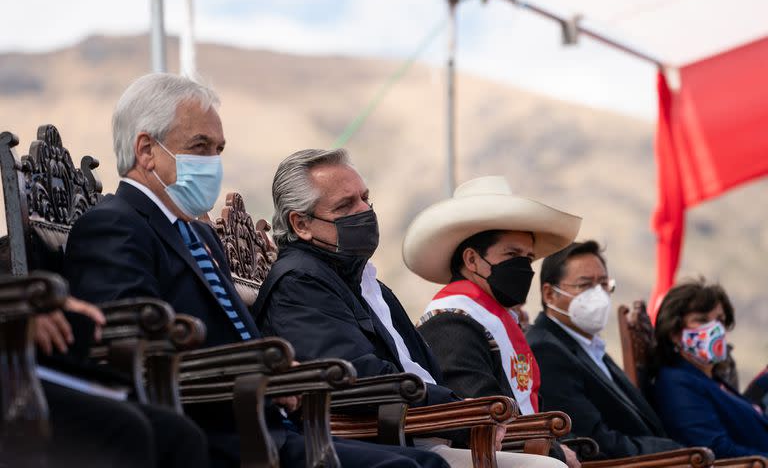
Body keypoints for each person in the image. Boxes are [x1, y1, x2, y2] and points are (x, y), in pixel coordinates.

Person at [63, 73, 448, 468]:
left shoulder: (198, 236)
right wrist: (257, 373)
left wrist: (276, 372)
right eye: (200, 147)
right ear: (146, 149)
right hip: (209, 435)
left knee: (428, 465)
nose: (212, 162)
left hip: (271, 425)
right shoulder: (115, 225)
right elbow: (132, 352)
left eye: (218, 149)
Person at [253, 149, 566, 468]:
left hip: (421, 434)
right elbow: (353, 376)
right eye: (346, 205)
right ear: (301, 223)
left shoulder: (367, 285)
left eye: (365, 197)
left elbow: (423, 372)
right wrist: (458, 412)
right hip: (383, 441)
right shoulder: (300, 283)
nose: (365, 210)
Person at [404, 175, 583, 467]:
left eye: (528, 257)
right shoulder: (450, 323)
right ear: (472, 260)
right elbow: (484, 414)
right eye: (512, 254)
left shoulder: (494, 320)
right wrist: (557, 453)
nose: (523, 267)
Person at [527, 241, 682, 459]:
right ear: (550, 294)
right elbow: (591, 441)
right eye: (585, 285)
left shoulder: (590, 346)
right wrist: (674, 452)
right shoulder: (547, 350)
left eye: (603, 284)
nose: (598, 294)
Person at [34, 295, 209, 468]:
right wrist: (17, 306)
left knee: (179, 434)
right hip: (16, 369)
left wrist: (59, 301)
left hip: (48, 363)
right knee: (124, 426)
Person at [652, 280, 768, 457]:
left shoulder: (709, 378)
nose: (715, 329)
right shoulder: (676, 384)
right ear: (675, 333)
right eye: (702, 320)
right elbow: (715, 450)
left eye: (720, 320)